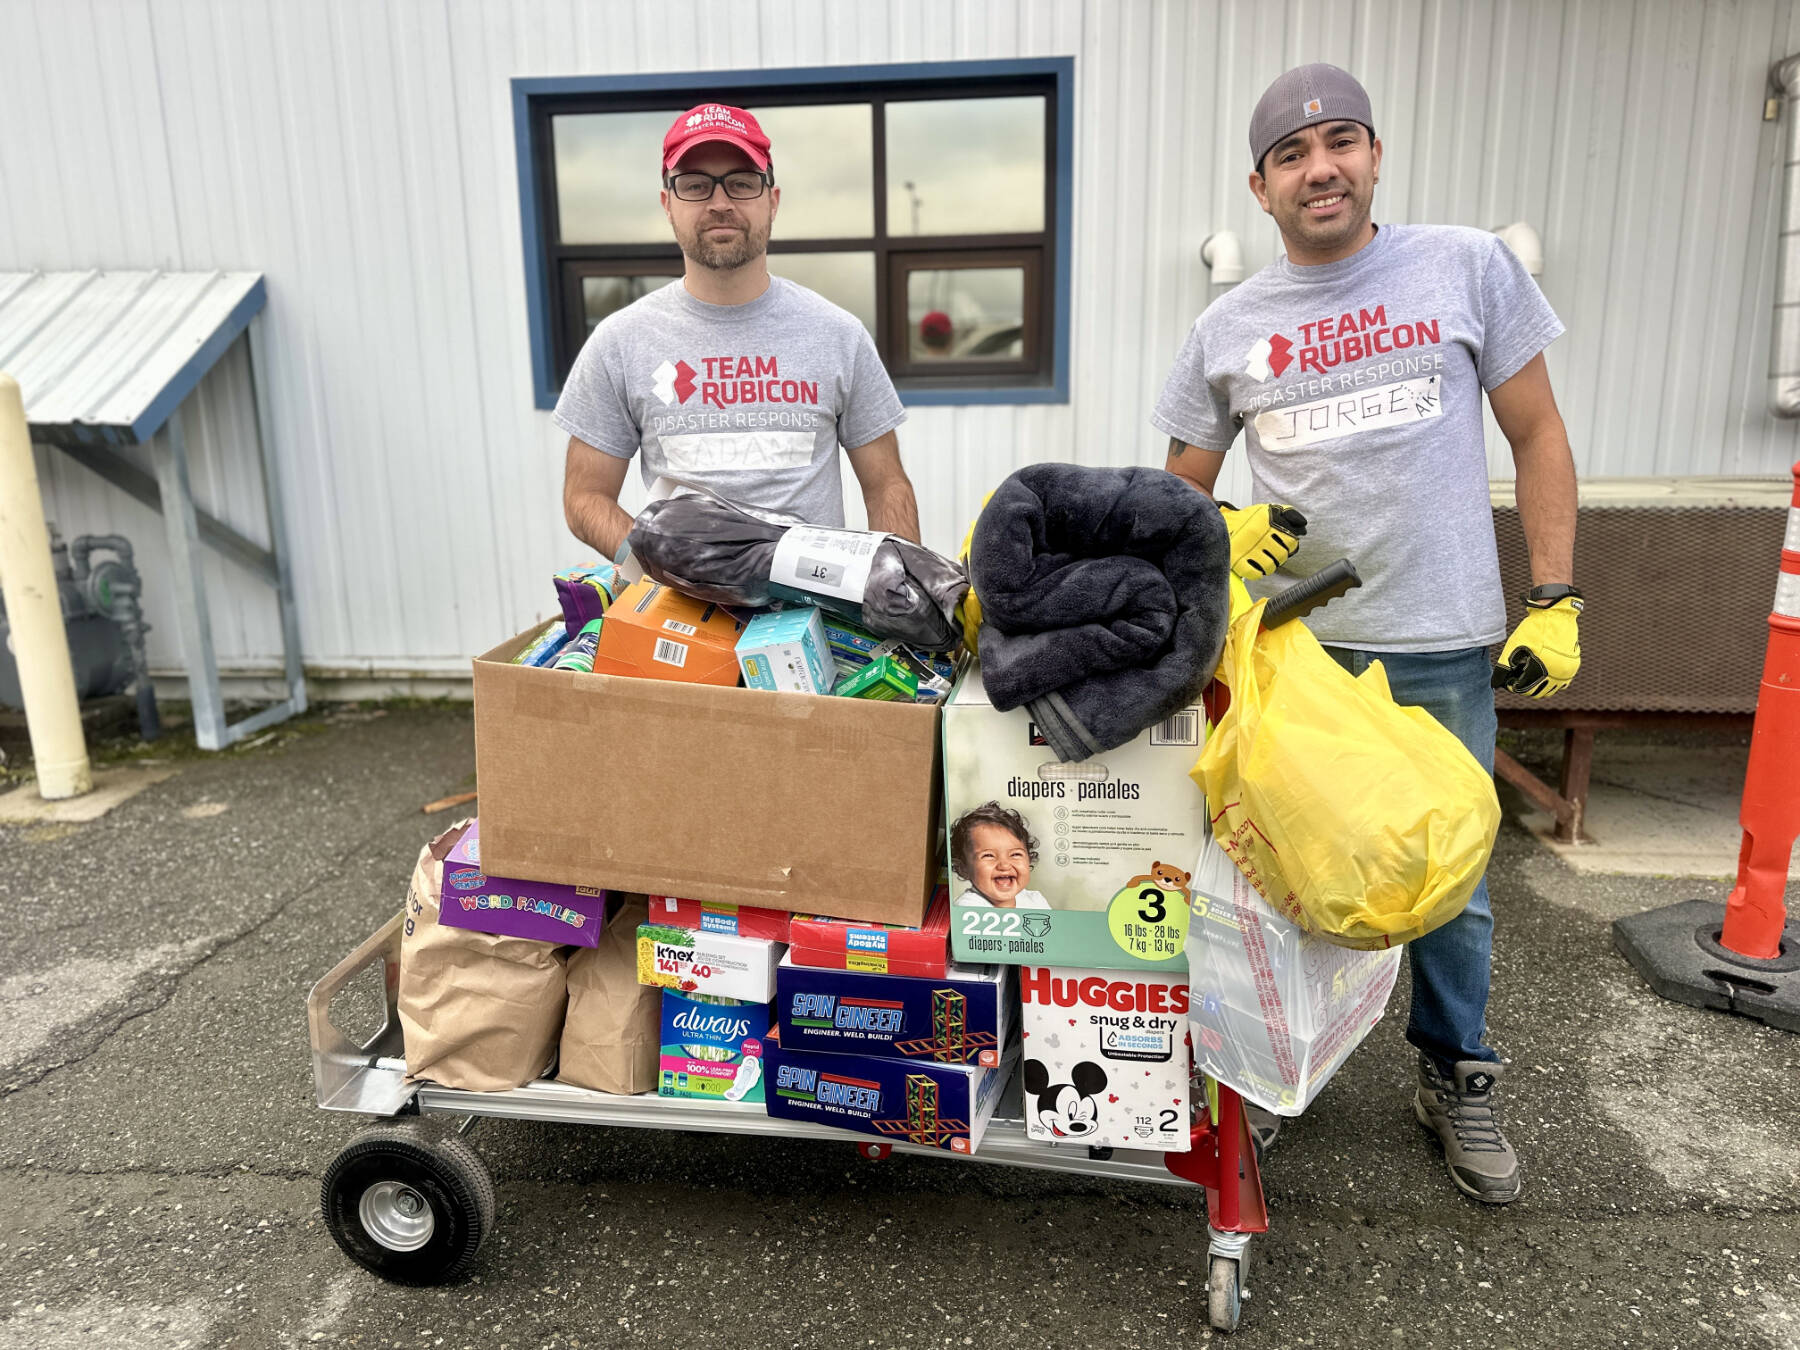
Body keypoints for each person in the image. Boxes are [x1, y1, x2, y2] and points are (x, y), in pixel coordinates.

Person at [1152, 64, 1583, 1206]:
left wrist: (1555, 596)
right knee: (1283, 876)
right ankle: (1277, 1071)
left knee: (1450, 875)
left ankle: (1456, 1072)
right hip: (1296, 650)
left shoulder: (1463, 267)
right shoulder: (1228, 326)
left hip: (1438, 636)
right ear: (1261, 187)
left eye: (1340, 141)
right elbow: (1178, 494)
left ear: (1376, 154)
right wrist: (1222, 530)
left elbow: (1538, 435)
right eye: (1292, 155)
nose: (1320, 168)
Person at [557, 103, 921, 556]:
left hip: (813, 614)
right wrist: (662, 570)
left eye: (742, 183)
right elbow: (584, 497)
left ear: (773, 200)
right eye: (695, 185)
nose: (720, 203)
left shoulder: (837, 334)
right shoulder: (620, 343)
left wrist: (902, 595)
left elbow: (887, 487)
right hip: (683, 616)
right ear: (668, 204)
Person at [949, 803, 1051, 910]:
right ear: (963, 869)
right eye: (988, 855)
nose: (1004, 865)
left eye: (1015, 854)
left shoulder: (1035, 900)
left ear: (1029, 860)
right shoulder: (968, 907)